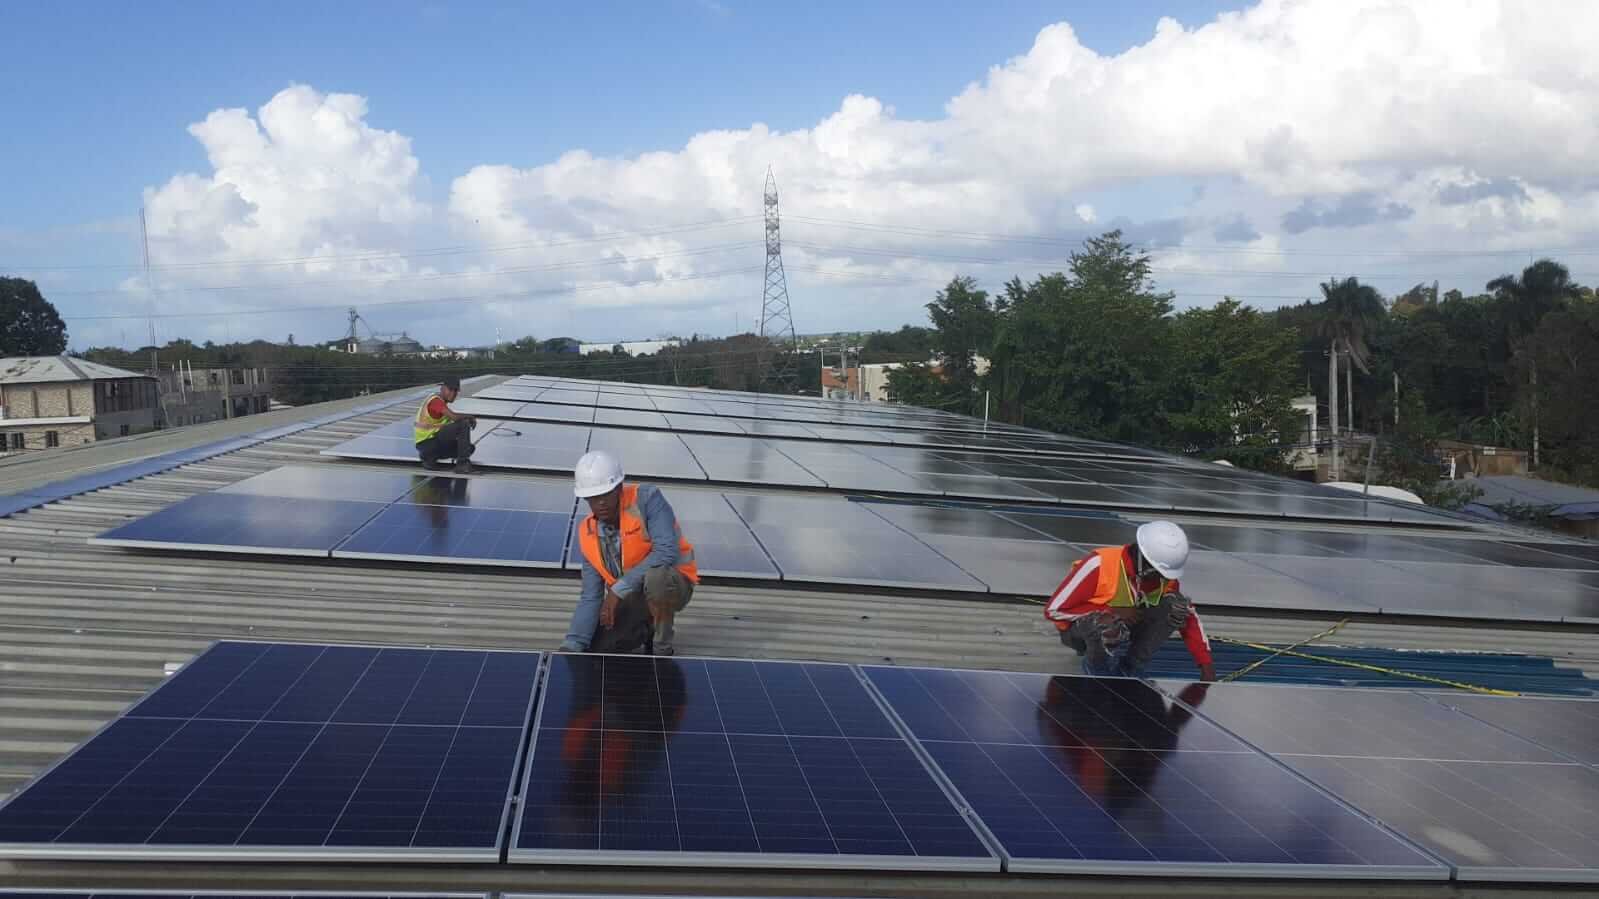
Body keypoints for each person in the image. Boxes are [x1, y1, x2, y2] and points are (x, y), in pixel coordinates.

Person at [561, 450, 699, 656]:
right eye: (592, 497)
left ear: (618, 488)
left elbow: (666, 552)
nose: (600, 503)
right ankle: (646, 628)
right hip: (632, 596)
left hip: (673, 584)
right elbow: (590, 596)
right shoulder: (587, 534)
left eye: (605, 494)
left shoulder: (647, 500)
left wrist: (617, 591)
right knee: (597, 646)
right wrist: (573, 643)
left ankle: (662, 648)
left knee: (656, 578)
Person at [1044, 520, 1215, 681]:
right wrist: (1113, 610)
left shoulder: (1162, 576)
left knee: (1175, 606)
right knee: (1108, 622)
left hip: (1125, 627)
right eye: (1158, 571)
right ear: (1143, 560)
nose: (1162, 577)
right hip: (1080, 632)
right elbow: (1053, 610)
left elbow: (1187, 615)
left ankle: (1131, 667)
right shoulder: (1100, 564)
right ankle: (1098, 669)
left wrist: (1205, 664)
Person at [414, 376, 476, 473]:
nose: (453, 393)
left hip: (434, 444)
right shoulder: (435, 401)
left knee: (469, 448)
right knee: (463, 424)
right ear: (442, 388)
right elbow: (454, 417)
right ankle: (462, 465)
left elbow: (448, 427)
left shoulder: (442, 404)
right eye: (450, 390)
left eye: (455, 391)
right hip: (426, 444)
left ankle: (430, 459)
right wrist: (470, 417)